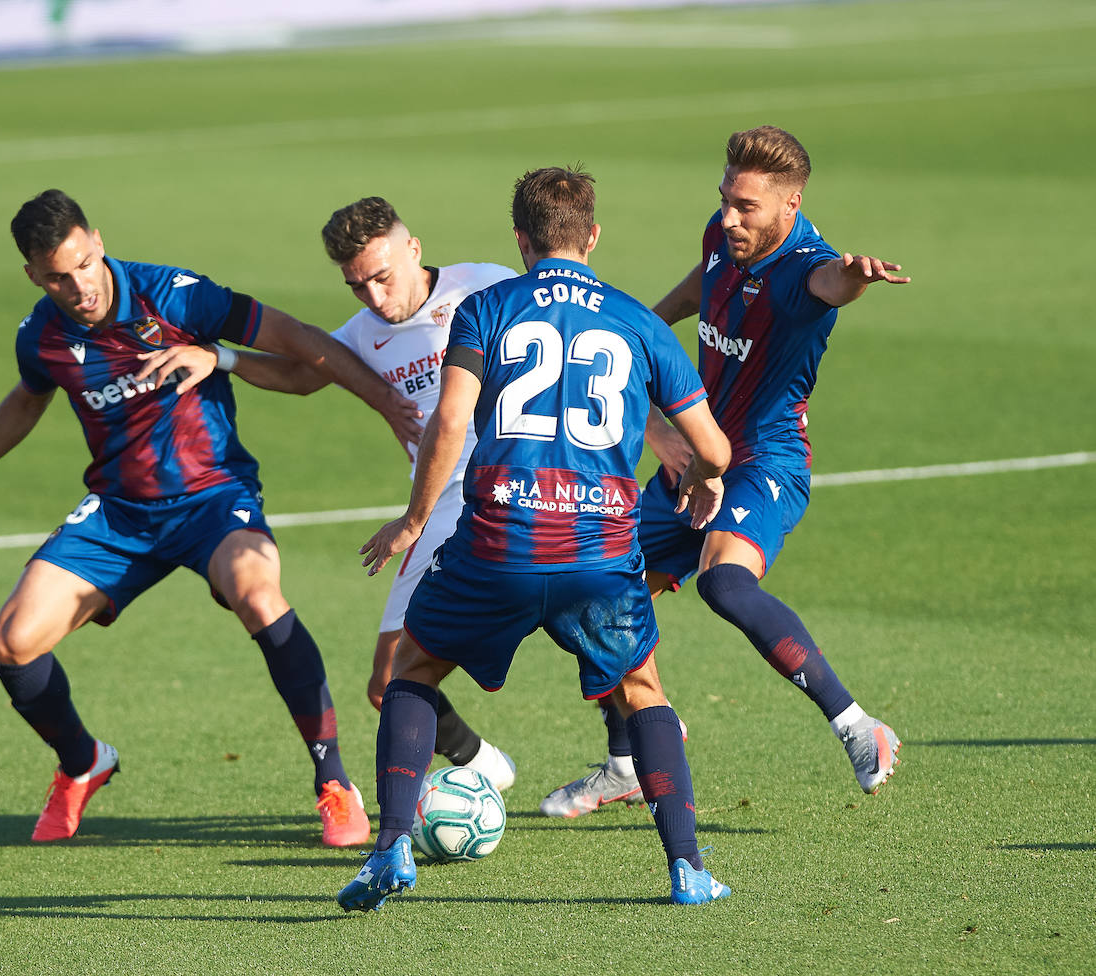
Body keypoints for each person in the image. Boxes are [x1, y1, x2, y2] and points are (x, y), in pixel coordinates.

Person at [0, 189, 421, 847]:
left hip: (213, 499)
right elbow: (27, 398)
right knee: (12, 643)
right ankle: (82, 763)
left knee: (259, 593)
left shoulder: (175, 296)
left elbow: (298, 340)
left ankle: (334, 783)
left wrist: (383, 400)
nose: (80, 286)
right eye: (59, 277)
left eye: (85, 264)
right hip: (120, 514)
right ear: (35, 276)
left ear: (97, 241)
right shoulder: (41, 335)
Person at [336, 166, 734, 912]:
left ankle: (390, 847)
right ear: (592, 235)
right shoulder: (637, 321)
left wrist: (416, 520)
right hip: (601, 553)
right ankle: (686, 869)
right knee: (642, 690)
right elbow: (709, 448)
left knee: (411, 674)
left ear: (521, 240)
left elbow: (450, 423)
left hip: (498, 544)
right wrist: (708, 479)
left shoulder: (485, 308)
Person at [540, 125, 910, 819]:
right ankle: (626, 761)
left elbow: (833, 283)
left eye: (748, 207)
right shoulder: (721, 235)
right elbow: (694, 291)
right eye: (726, 199)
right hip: (695, 457)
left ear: (791, 205)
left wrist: (856, 279)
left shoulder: (809, 271)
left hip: (764, 464)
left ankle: (859, 726)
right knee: (587, 593)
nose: (732, 218)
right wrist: (633, 331)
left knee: (725, 582)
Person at [222, 197, 518, 790]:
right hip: (434, 509)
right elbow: (304, 375)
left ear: (414, 248)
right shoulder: (361, 335)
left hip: (514, 487)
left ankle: (626, 757)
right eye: (358, 287)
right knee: (388, 685)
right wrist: (223, 357)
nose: (376, 299)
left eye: (382, 278)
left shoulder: (488, 287)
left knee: (589, 625)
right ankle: (483, 765)